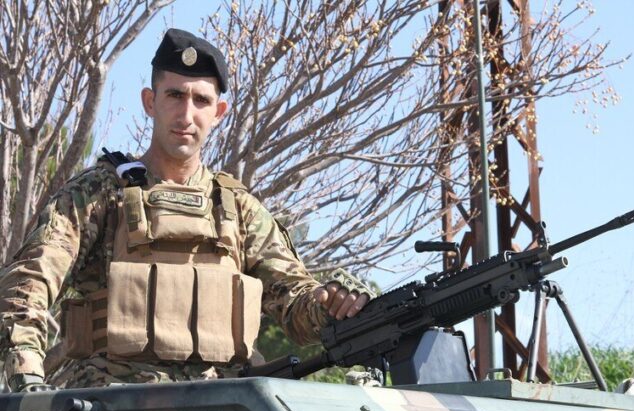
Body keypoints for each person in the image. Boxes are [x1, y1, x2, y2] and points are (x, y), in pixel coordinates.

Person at [0, 29, 372, 392]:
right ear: (150, 102)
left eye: (201, 100)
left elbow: (296, 307)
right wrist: (27, 371)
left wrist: (332, 302)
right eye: (175, 95)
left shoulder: (238, 209)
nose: (186, 114)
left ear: (219, 112)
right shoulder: (99, 193)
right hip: (109, 409)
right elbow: (30, 282)